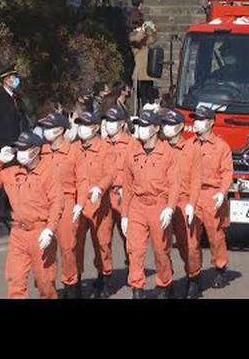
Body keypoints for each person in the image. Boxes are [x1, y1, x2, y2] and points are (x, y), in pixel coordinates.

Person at [0, 131, 64, 299]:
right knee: (15, 280)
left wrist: (50, 229)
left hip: (41, 233)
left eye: (23, 149)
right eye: (17, 149)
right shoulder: (12, 172)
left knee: (45, 283)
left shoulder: (49, 172)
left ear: (35, 151)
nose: (19, 153)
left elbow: (57, 202)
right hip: (18, 233)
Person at [121, 110, 180, 299]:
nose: (141, 129)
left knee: (161, 251)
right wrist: (124, 215)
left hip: (159, 206)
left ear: (156, 128)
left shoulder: (168, 153)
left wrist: (169, 208)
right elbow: (127, 185)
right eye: (139, 125)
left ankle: (164, 284)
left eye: (145, 126)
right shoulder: (133, 153)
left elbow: (174, 184)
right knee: (135, 250)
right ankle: (137, 288)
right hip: (138, 206)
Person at [73, 111, 118, 298]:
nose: (82, 128)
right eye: (80, 124)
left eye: (86, 124)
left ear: (96, 127)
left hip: (100, 204)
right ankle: (75, 280)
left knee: (102, 243)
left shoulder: (105, 149)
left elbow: (110, 173)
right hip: (79, 205)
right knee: (75, 244)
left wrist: (100, 188)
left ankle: (105, 276)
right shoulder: (73, 148)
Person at [37, 112, 81, 299]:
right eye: (45, 127)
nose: (46, 131)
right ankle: (48, 287)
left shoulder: (73, 151)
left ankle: (71, 284)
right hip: (45, 205)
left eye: (50, 127)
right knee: (46, 249)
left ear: (61, 130)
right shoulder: (41, 151)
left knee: (67, 248)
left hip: (67, 202)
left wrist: (80, 204)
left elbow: (83, 180)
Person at [190, 106, 234, 289]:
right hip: (193, 195)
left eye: (200, 119)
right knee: (191, 237)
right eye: (195, 119)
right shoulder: (189, 145)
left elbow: (227, 172)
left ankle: (220, 268)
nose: (195, 123)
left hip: (212, 195)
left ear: (210, 122)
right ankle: (194, 273)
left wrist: (222, 192)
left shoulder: (221, 147)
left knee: (215, 236)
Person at [161, 108, 203, 299]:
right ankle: (166, 284)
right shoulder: (160, 148)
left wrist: (192, 204)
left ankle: (193, 277)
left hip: (185, 202)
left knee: (190, 247)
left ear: (179, 127)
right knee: (161, 247)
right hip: (164, 203)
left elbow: (196, 180)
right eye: (165, 124)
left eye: (170, 124)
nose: (166, 128)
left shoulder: (192, 149)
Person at [0, 64, 32, 228]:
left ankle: (8, 208)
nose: (15, 80)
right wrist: (0, 146)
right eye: (12, 77)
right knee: (0, 177)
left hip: (16, 142)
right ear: (5, 80)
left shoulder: (16, 98)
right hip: (2, 143)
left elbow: (21, 120)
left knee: (13, 175)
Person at [102, 106, 137, 269]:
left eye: (113, 121)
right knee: (103, 236)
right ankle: (105, 273)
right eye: (107, 120)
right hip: (106, 195)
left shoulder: (132, 145)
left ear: (122, 124)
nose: (109, 124)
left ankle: (133, 266)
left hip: (124, 195)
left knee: (128, 234)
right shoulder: (103, 145)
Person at [130, 21, 159, 109]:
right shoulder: (133, 36)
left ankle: (151, 105)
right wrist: (142, 30)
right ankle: (143, 106)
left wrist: (152, 30)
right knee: (142, 90)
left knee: (149, 89)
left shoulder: (144, 41)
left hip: (147, 68)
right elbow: (136, 40)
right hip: (139, 69)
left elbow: (152, 39)